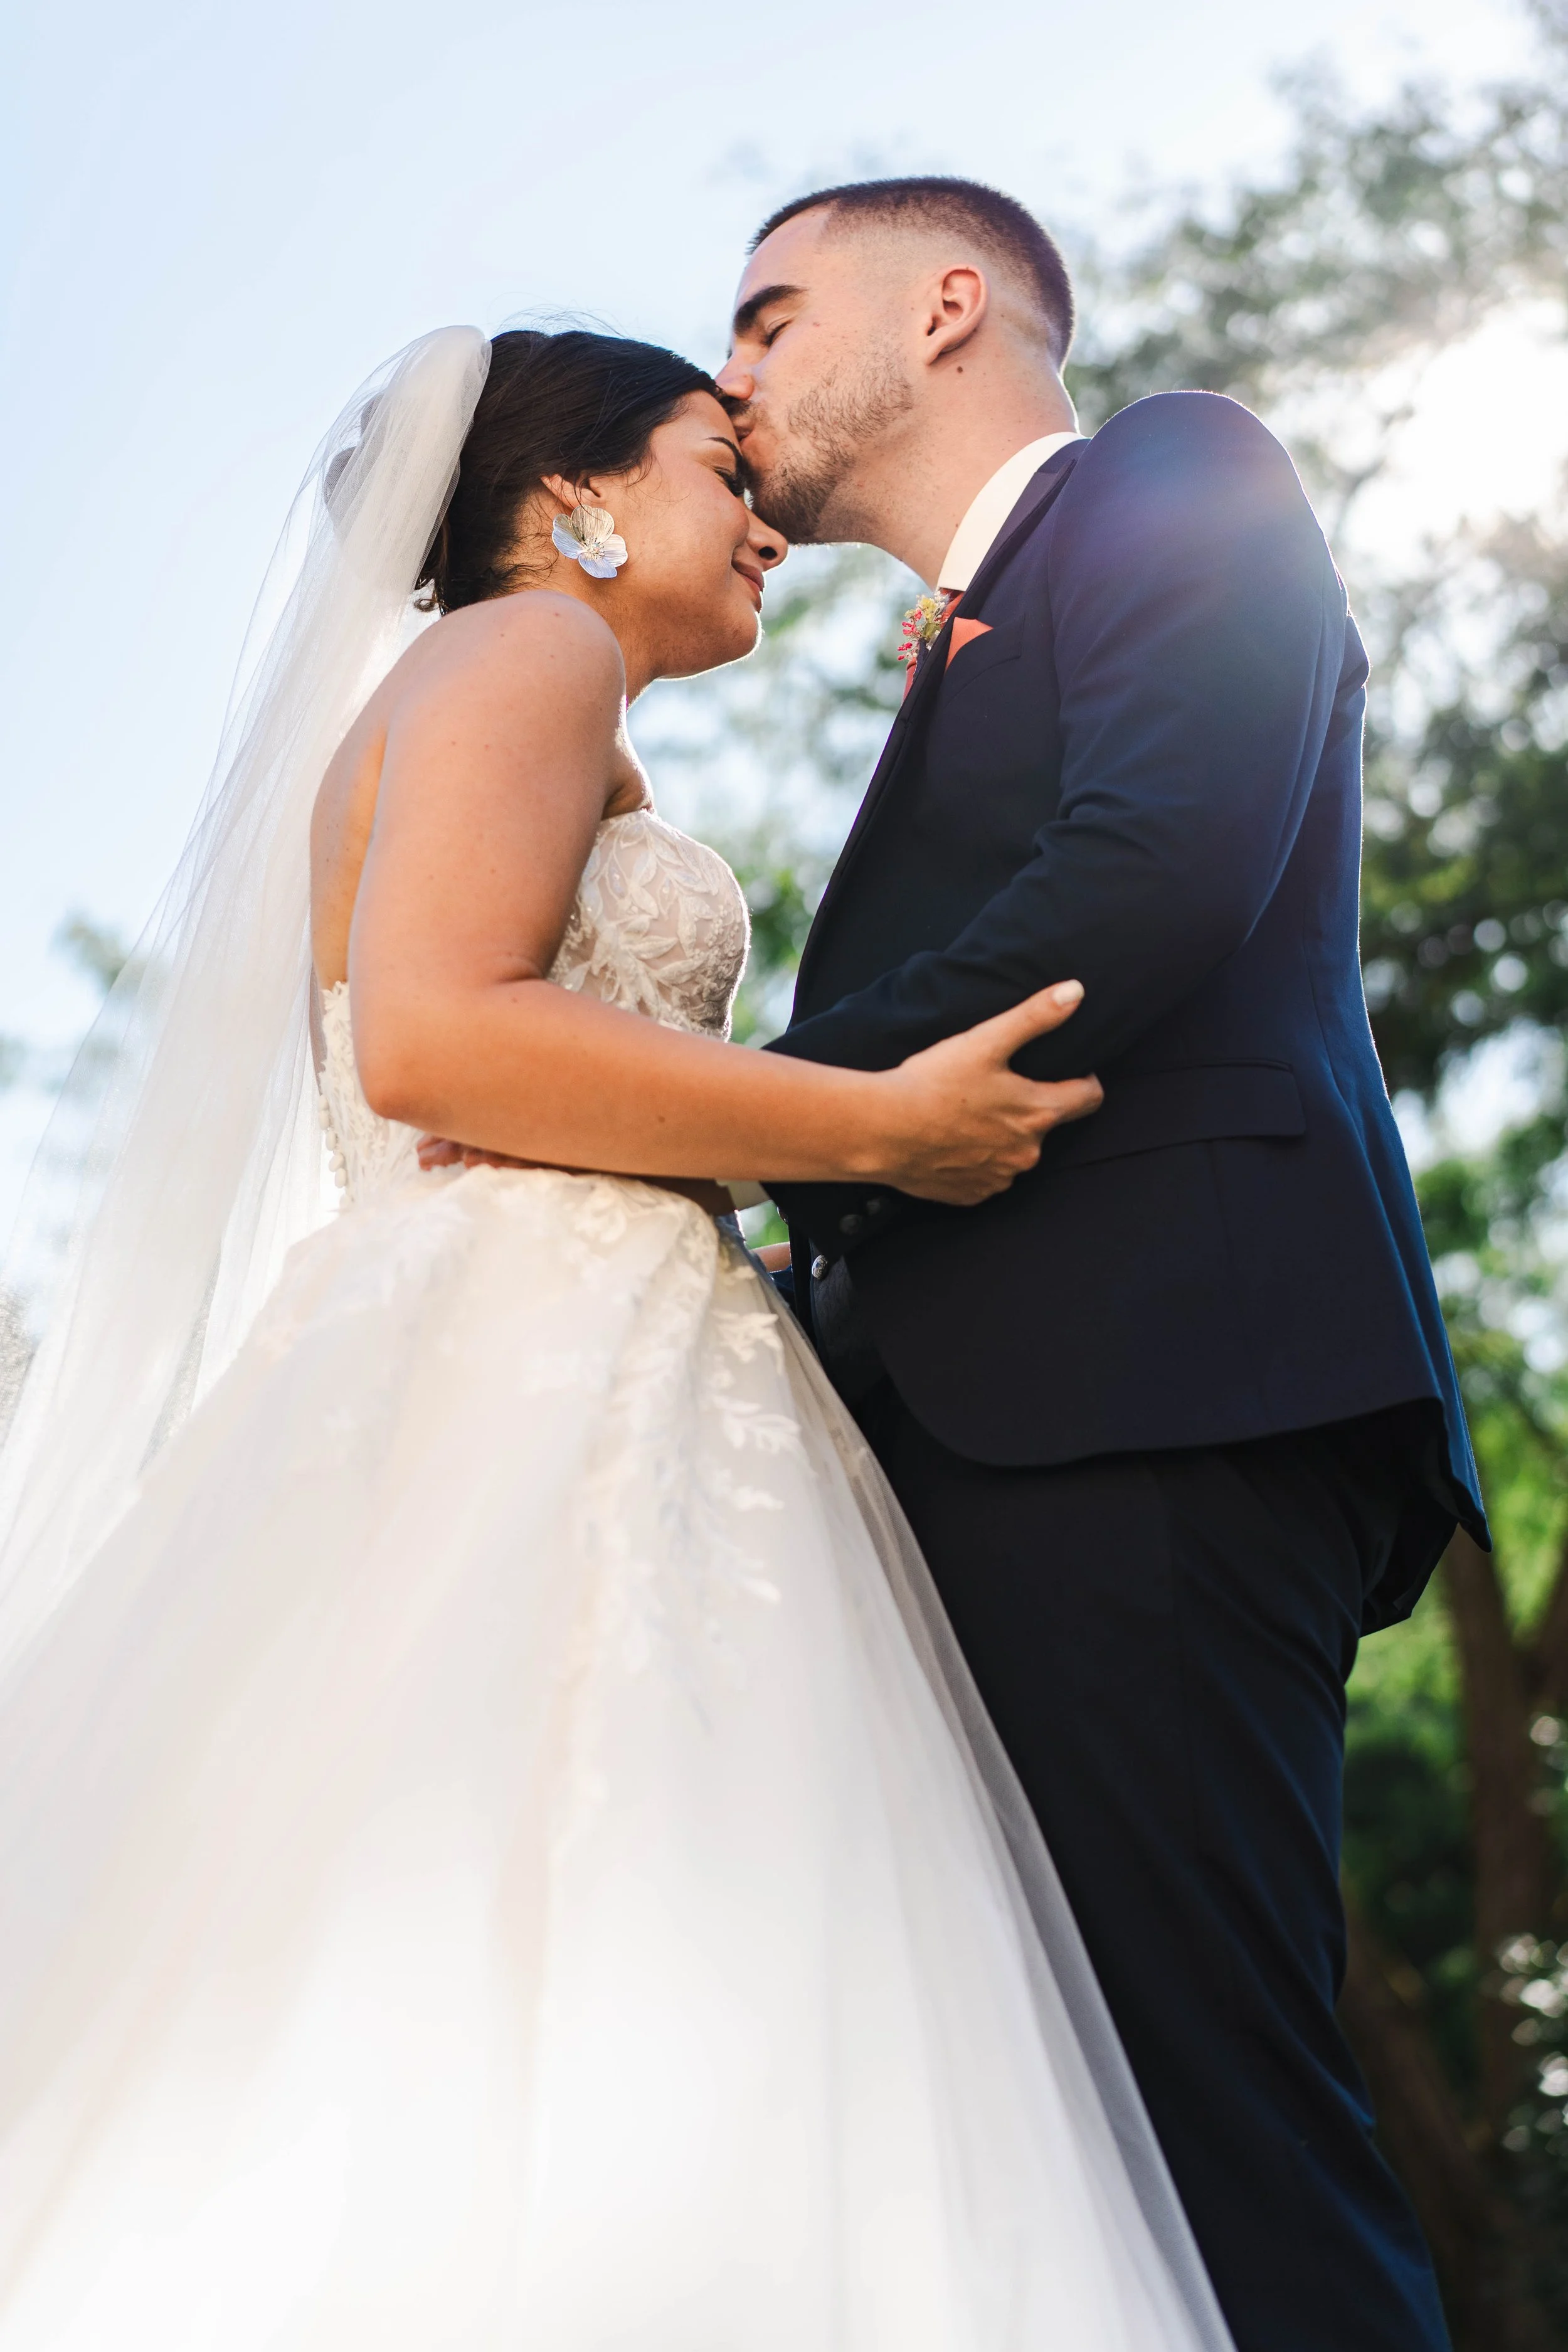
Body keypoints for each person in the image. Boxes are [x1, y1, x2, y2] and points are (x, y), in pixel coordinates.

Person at [0, 324, 1237, 2349]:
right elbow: (436, 1037)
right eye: (708, 463)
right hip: (535, 1361)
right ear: (569, 501)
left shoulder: (533, 694)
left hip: (561, 1333)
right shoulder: (529, 654)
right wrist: (874, 1127)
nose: (756, 515)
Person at [717, 174, 1488, 2352]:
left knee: (1197, 2112)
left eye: (771, 315)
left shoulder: (1176, 472)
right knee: (1026, 2146)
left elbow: (1148, 865)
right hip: (980, 1429)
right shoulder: (956, 640)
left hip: (1152, 1395)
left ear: (946, 304)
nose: (736, 369)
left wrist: (717, 1128)